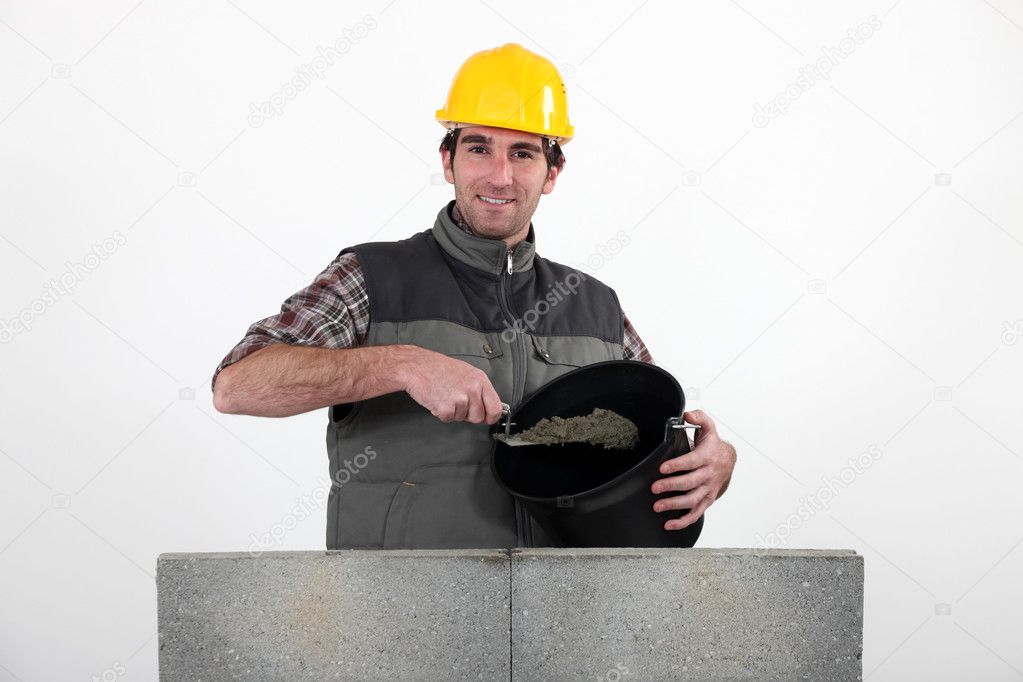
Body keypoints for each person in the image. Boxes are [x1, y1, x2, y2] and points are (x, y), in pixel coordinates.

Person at [212, 43, 735, 550]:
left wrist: (714, 461)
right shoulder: (372, 277)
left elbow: (659, 440)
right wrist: (401, 365)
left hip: (565, 619)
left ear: (552, 172)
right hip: (396, 619)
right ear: (448, 160)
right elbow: (237, 386)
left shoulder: (596, 306)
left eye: (523, 153)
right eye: (479, 146)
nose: (499, 175)